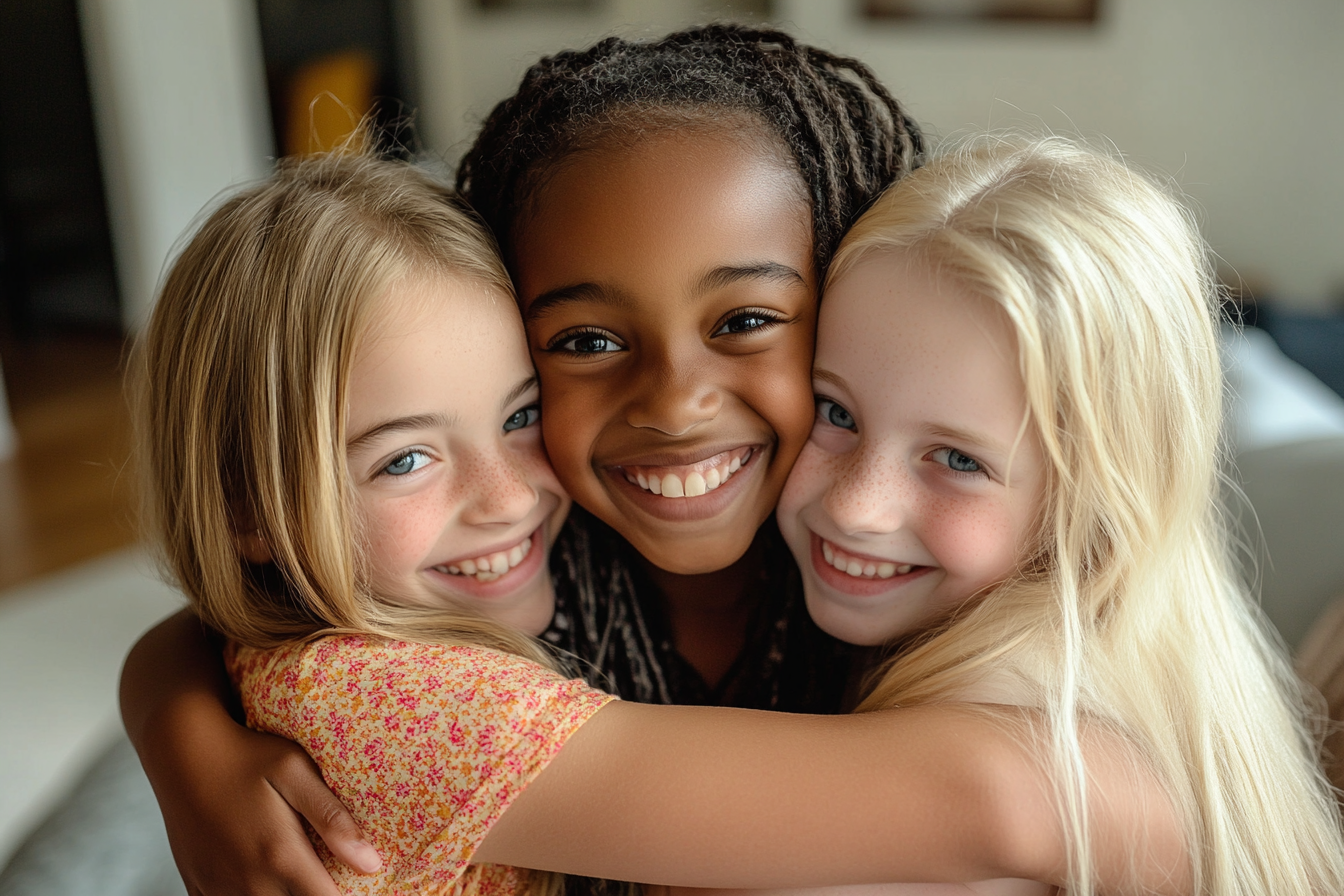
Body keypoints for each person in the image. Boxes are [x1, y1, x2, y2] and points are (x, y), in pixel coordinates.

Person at [134, 149, 1185, 896]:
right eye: (405, 457)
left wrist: (164, 698)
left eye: (517, 416)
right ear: (243, 508)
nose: (509, 492)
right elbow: (1014, 802)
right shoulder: (383, 704)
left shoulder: (384, 632)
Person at [120, 26, 926, 895]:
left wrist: (170, 717)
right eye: (585, 340)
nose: (673, 404)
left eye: (744, 320)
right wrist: (177, 722)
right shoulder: (484, 606)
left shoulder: (926, 531)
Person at [768, 136, 1344, 894]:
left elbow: (571, 776)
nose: (855, 505)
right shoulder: (1150, 658)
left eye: (960, 460)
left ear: (1096, 500)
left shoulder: (1003, 750)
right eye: (835, 410)